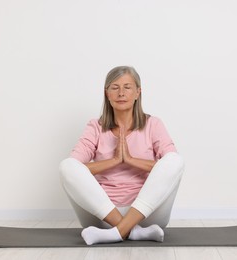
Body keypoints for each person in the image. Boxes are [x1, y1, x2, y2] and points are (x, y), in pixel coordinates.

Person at [59, 66, 184, 245]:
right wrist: (115, 161)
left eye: (127, 87)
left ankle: (118, 232)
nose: (121, 93)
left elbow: (170, 166)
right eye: (115, 87)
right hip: (102, 215)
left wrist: (131, 160)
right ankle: (132, 231)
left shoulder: (153, 124)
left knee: (175, 160)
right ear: (107, 94)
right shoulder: (96, 126)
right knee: (66, 166)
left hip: (147, 213)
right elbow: (75, 167)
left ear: (137, 92)